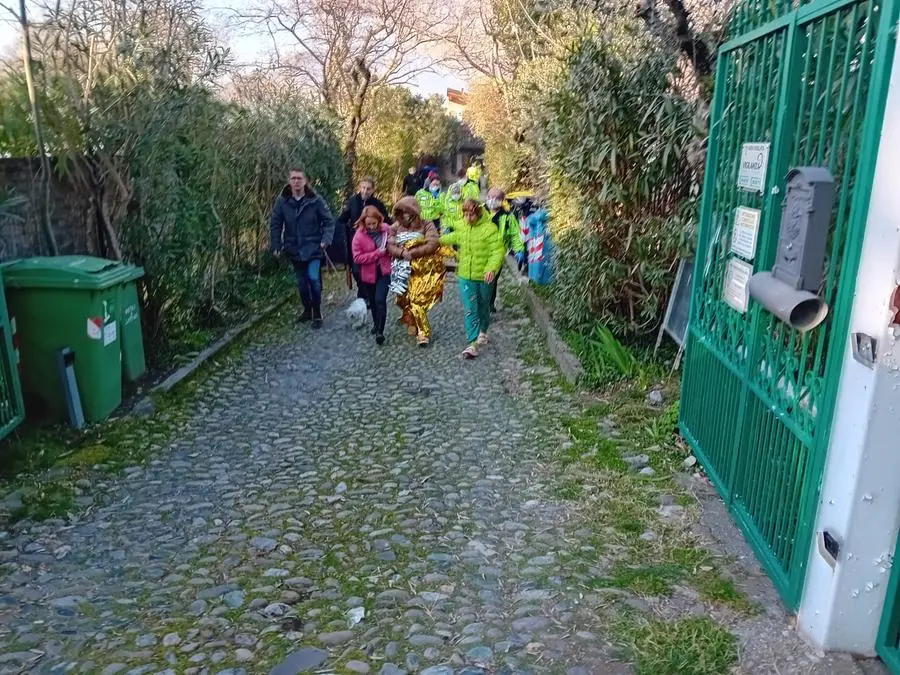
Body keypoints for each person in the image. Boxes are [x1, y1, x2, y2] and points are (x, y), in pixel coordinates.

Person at [270, 167, 335, 328]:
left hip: (314, 248)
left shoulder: (316, 200)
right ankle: (307, 310)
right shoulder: (282, 202)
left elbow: (329, 222)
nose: (296, 181)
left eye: (299, 178)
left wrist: (326, 240)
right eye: (293, 178)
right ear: (289, 181)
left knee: (313, 279)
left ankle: (317, 313)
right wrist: (276, 245)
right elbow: (276, 224)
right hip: (294, 249)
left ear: (305, 181)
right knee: (301, 284)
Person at [440, 199, 504, 359]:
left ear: (478, 213)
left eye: (472, 214)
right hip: (465, 276)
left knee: (483, 306)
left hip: (484, 276)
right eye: (466, 214)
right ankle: (472, 343)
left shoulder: (490, 229)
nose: (468, 218)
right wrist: (435, 240)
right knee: (470, 308)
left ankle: (483, 330)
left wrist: (491, 269)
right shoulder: (462, 226)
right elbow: (453, 237)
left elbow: (497, 251)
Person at [387, 197, 445, 347]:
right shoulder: (396, 226)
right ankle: (410, 318)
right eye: (401, 212)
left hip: (421, 269)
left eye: (407, 211)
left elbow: (433, 243)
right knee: (402, 298)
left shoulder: (427, 224)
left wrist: (413, 253)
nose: (404, 215)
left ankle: (423, 333)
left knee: (417, 300)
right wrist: (400, 252)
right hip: (401, 269)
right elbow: (389, 243)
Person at [337, 177, 391, 303]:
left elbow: (386, 220)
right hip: (356, 242)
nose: (365, 191)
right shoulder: (352, 201)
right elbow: (344, 217)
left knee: (370, 269)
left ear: (373, 190)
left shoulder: (377, 204)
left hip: (373, 243)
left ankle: (369, 295)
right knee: (356, 270)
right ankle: (363, 290)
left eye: (368, 188)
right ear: (359, 188)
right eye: (363, 188)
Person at [351, 206, 392, 345]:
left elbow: (394, 245)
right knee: (373, 302)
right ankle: (376, 324)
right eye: (369, 224)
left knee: (380, 300)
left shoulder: (386, 230)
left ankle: (380, 331)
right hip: (368, 274)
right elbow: (357, 258)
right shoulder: (359, 236)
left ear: (379, 220)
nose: (372, 227)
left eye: (374, 223)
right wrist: (376, 254)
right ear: (364, 222)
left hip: (384, 272)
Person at [485, 187, 525, 313]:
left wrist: (519, 250)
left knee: (491, 280)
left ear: (502, 200)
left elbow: (514, 235)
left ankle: (489, 304)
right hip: (479, 251)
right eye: (490, 197)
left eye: (496, 198)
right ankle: (480, 304)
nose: (492, 200)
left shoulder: (507, 217)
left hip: (496, 254)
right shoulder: (479, 212)